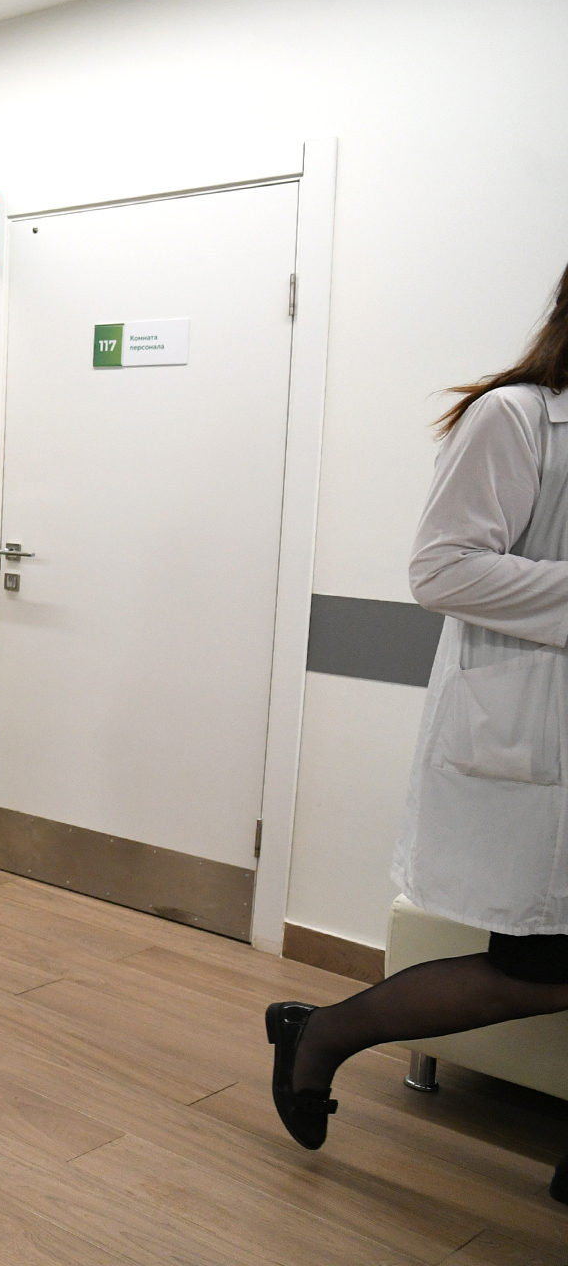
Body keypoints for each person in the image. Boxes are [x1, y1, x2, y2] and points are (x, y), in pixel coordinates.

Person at [266, 261, 568, 1202]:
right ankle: (322, 1032)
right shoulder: (517, 417)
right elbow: (442, 569)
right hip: (539, 734)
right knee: (541, 966)